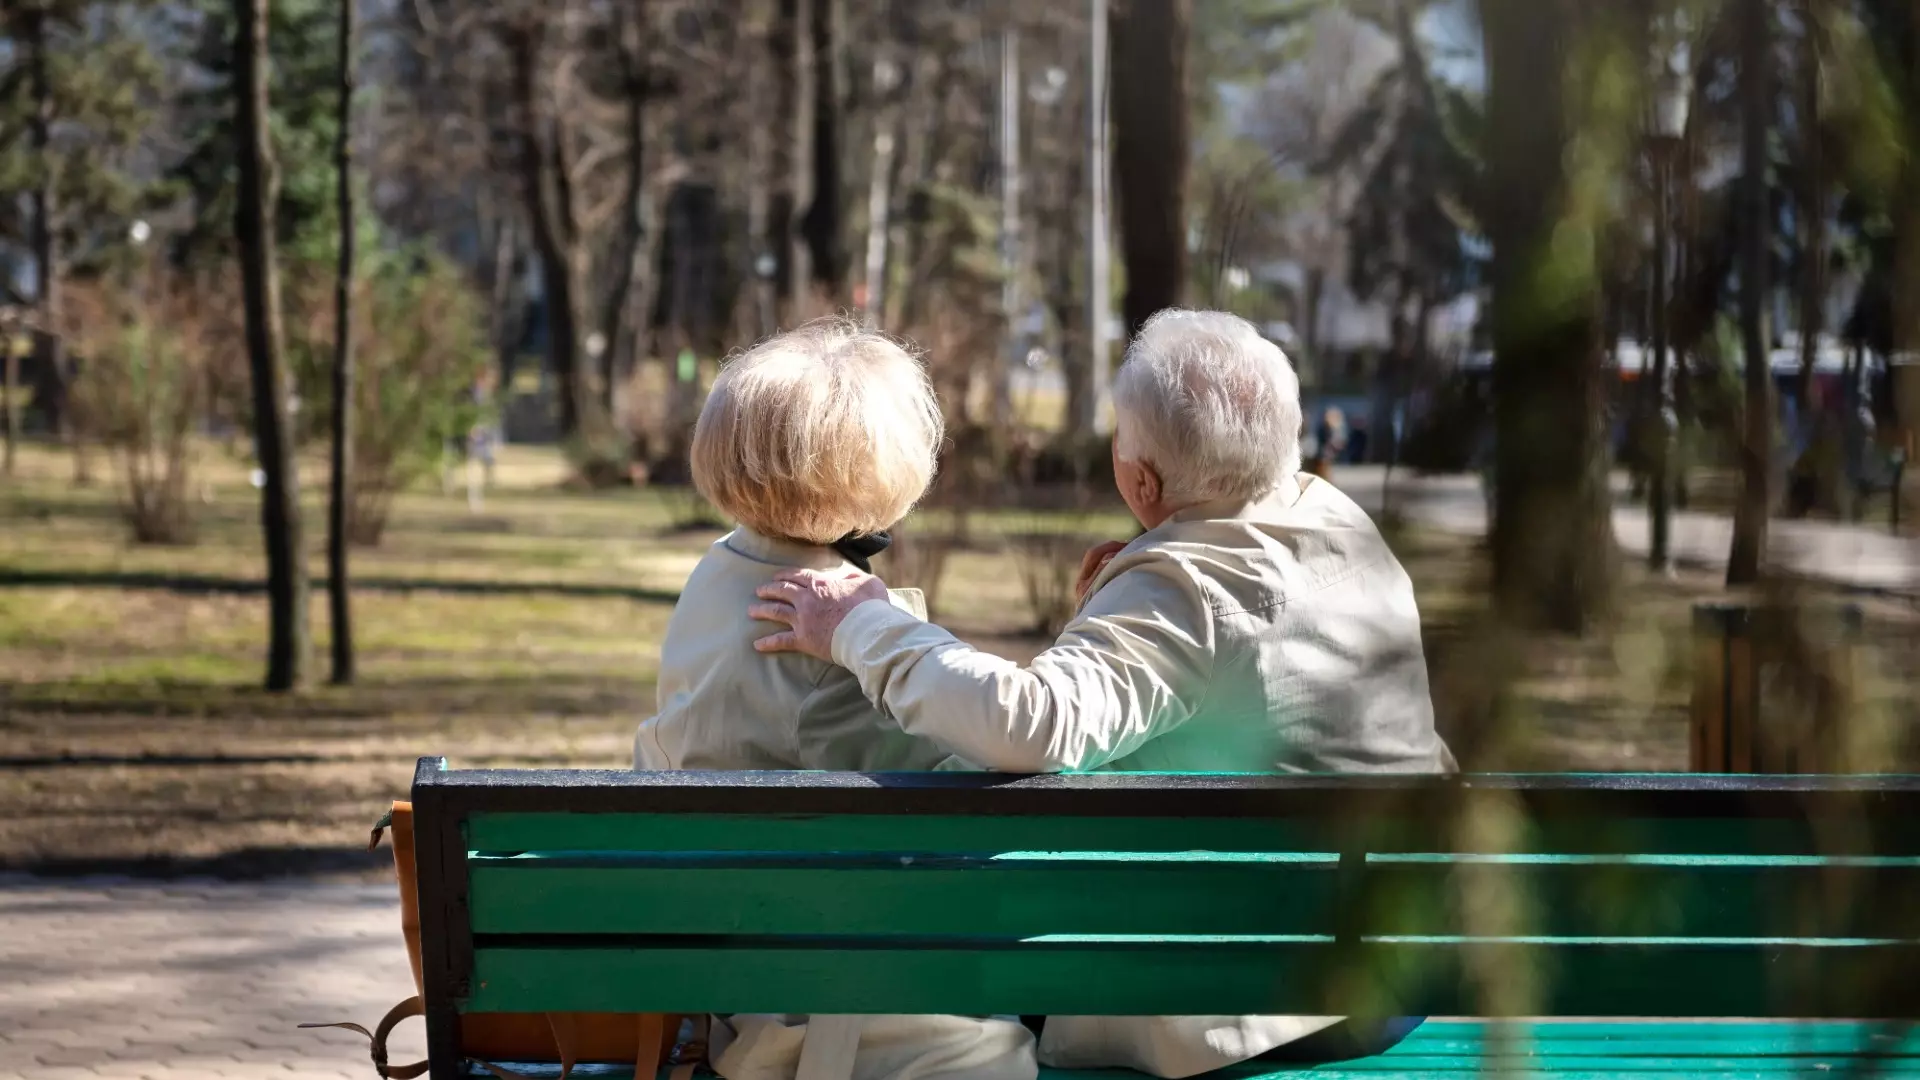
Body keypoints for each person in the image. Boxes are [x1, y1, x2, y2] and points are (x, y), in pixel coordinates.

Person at [749, 309, 1454, 1078]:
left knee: (938, 944)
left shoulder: (1183, 593)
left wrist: (861, 625)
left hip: (1264, 1000)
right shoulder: (1336, 520)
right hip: (1394, 962)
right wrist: (1142, 570)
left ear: (1140, 479)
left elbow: (1030, 726)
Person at [635, 317, 1036, 1080]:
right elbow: (961, 793)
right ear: (882, 469)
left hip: (737, 955)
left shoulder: (718, 575)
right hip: (823, 995)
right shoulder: (823, 635)